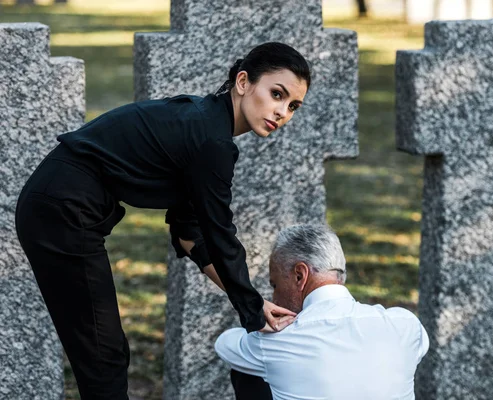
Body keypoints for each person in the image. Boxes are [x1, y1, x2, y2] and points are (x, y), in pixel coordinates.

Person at [14, 42, 309, 400]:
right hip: (61, 210)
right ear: (243, 82)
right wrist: (250, 307)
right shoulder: (211, 140)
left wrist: (254, 303)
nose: (281, 112)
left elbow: (190, 234)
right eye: (276, 94)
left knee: (103, 351)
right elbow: (221, 234)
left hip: (56, 205)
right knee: (102, 353)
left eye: (292, 106)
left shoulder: (206, 124)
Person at [215, 224, 429, 400]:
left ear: (300, 275)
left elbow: (224, 344)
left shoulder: (278, 340)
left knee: (247, 371)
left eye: (275, 285)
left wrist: (259, 316)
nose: (274, 299)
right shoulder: (405, 325)